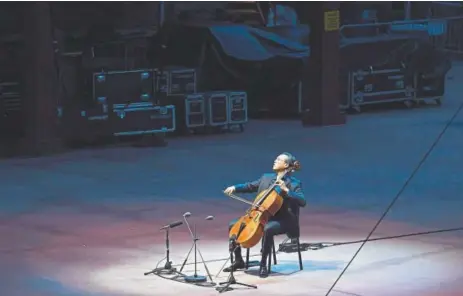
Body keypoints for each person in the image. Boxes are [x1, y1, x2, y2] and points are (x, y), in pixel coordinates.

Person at [223, 152, 306, 278]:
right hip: (260, 215)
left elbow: (302, 201)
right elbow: (250, 186)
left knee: (268, 228)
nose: (275, 160)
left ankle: (263, 264)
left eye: (278, 159)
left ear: (286, 165)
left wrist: (287, 191)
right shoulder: (266, 177)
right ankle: (238, 260)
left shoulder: (293, 183)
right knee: (233, 224)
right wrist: (235, 187)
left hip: (283, 219)